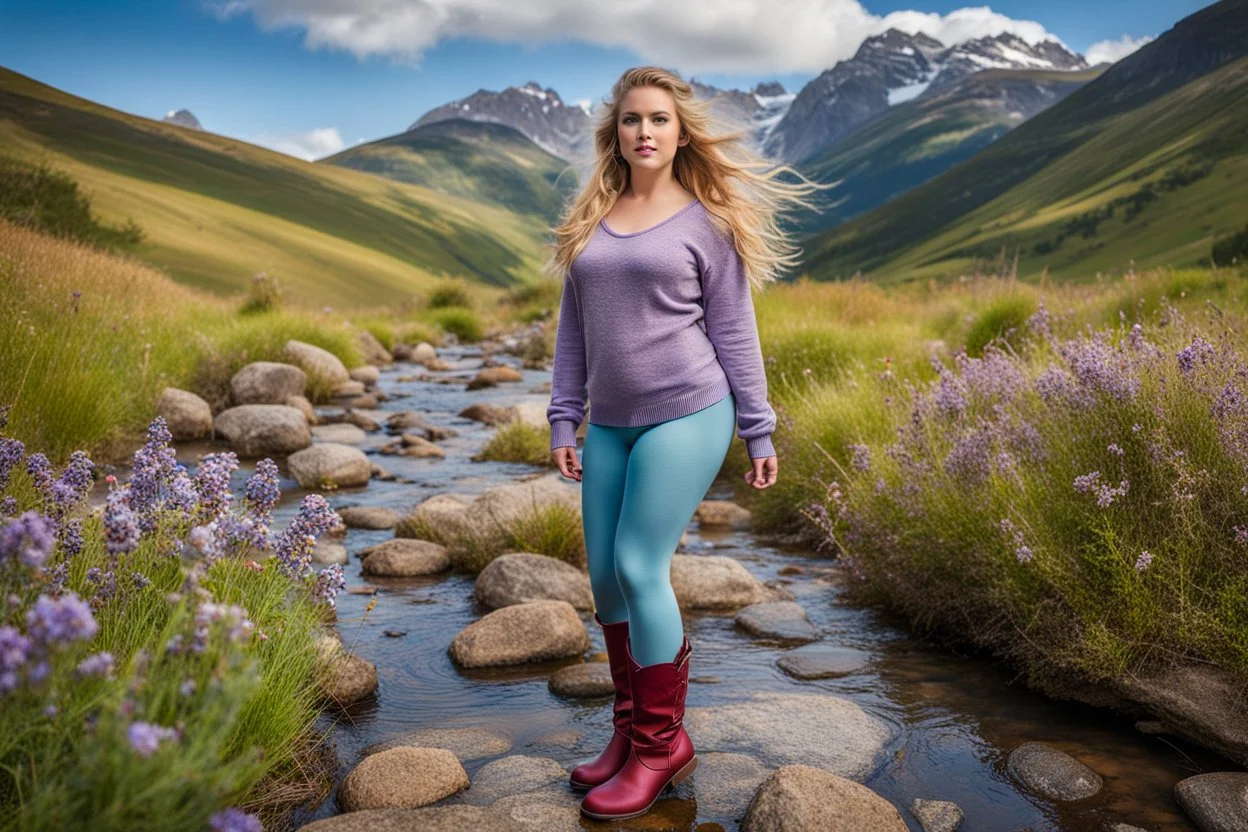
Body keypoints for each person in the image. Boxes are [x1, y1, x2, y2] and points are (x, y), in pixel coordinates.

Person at [543, 65, 830, 822]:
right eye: (632, 120)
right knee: (604, 578)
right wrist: (562, 418)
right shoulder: (591, 223)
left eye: (659, 120)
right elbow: (573, 334)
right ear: (615, 133)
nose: (644, 131)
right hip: (609, 422)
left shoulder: (707, 223)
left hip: (688, 411)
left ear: (679, 133)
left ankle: (662, 747)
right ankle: (628, 734)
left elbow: (736, 331)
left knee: (641, 566)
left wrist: (758, 427)